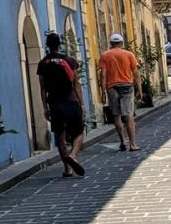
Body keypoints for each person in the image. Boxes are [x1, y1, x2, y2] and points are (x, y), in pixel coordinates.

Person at [37, 32, 87, 178]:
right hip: (71, 101)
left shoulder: (43, 64)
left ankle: (67, 169)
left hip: (54, 103)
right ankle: (73, 155)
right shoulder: (69, 61)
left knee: (60, 135)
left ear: (47, 45)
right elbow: (76, 84)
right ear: (59, 44)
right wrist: (82, 104)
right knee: (79, 132)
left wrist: (45, 108)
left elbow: (42, 89)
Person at [98, 34, 141, 151]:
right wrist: (140, 90)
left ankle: (122, 142)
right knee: (128, 115)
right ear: (121, 43)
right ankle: (132, 144)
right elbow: (136, 73)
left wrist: (103, 92)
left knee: (116, 115)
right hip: (126, 86)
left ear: (111, 44)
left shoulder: (105, 55)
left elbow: (103, 75)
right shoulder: (129, 54)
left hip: (112, 87)